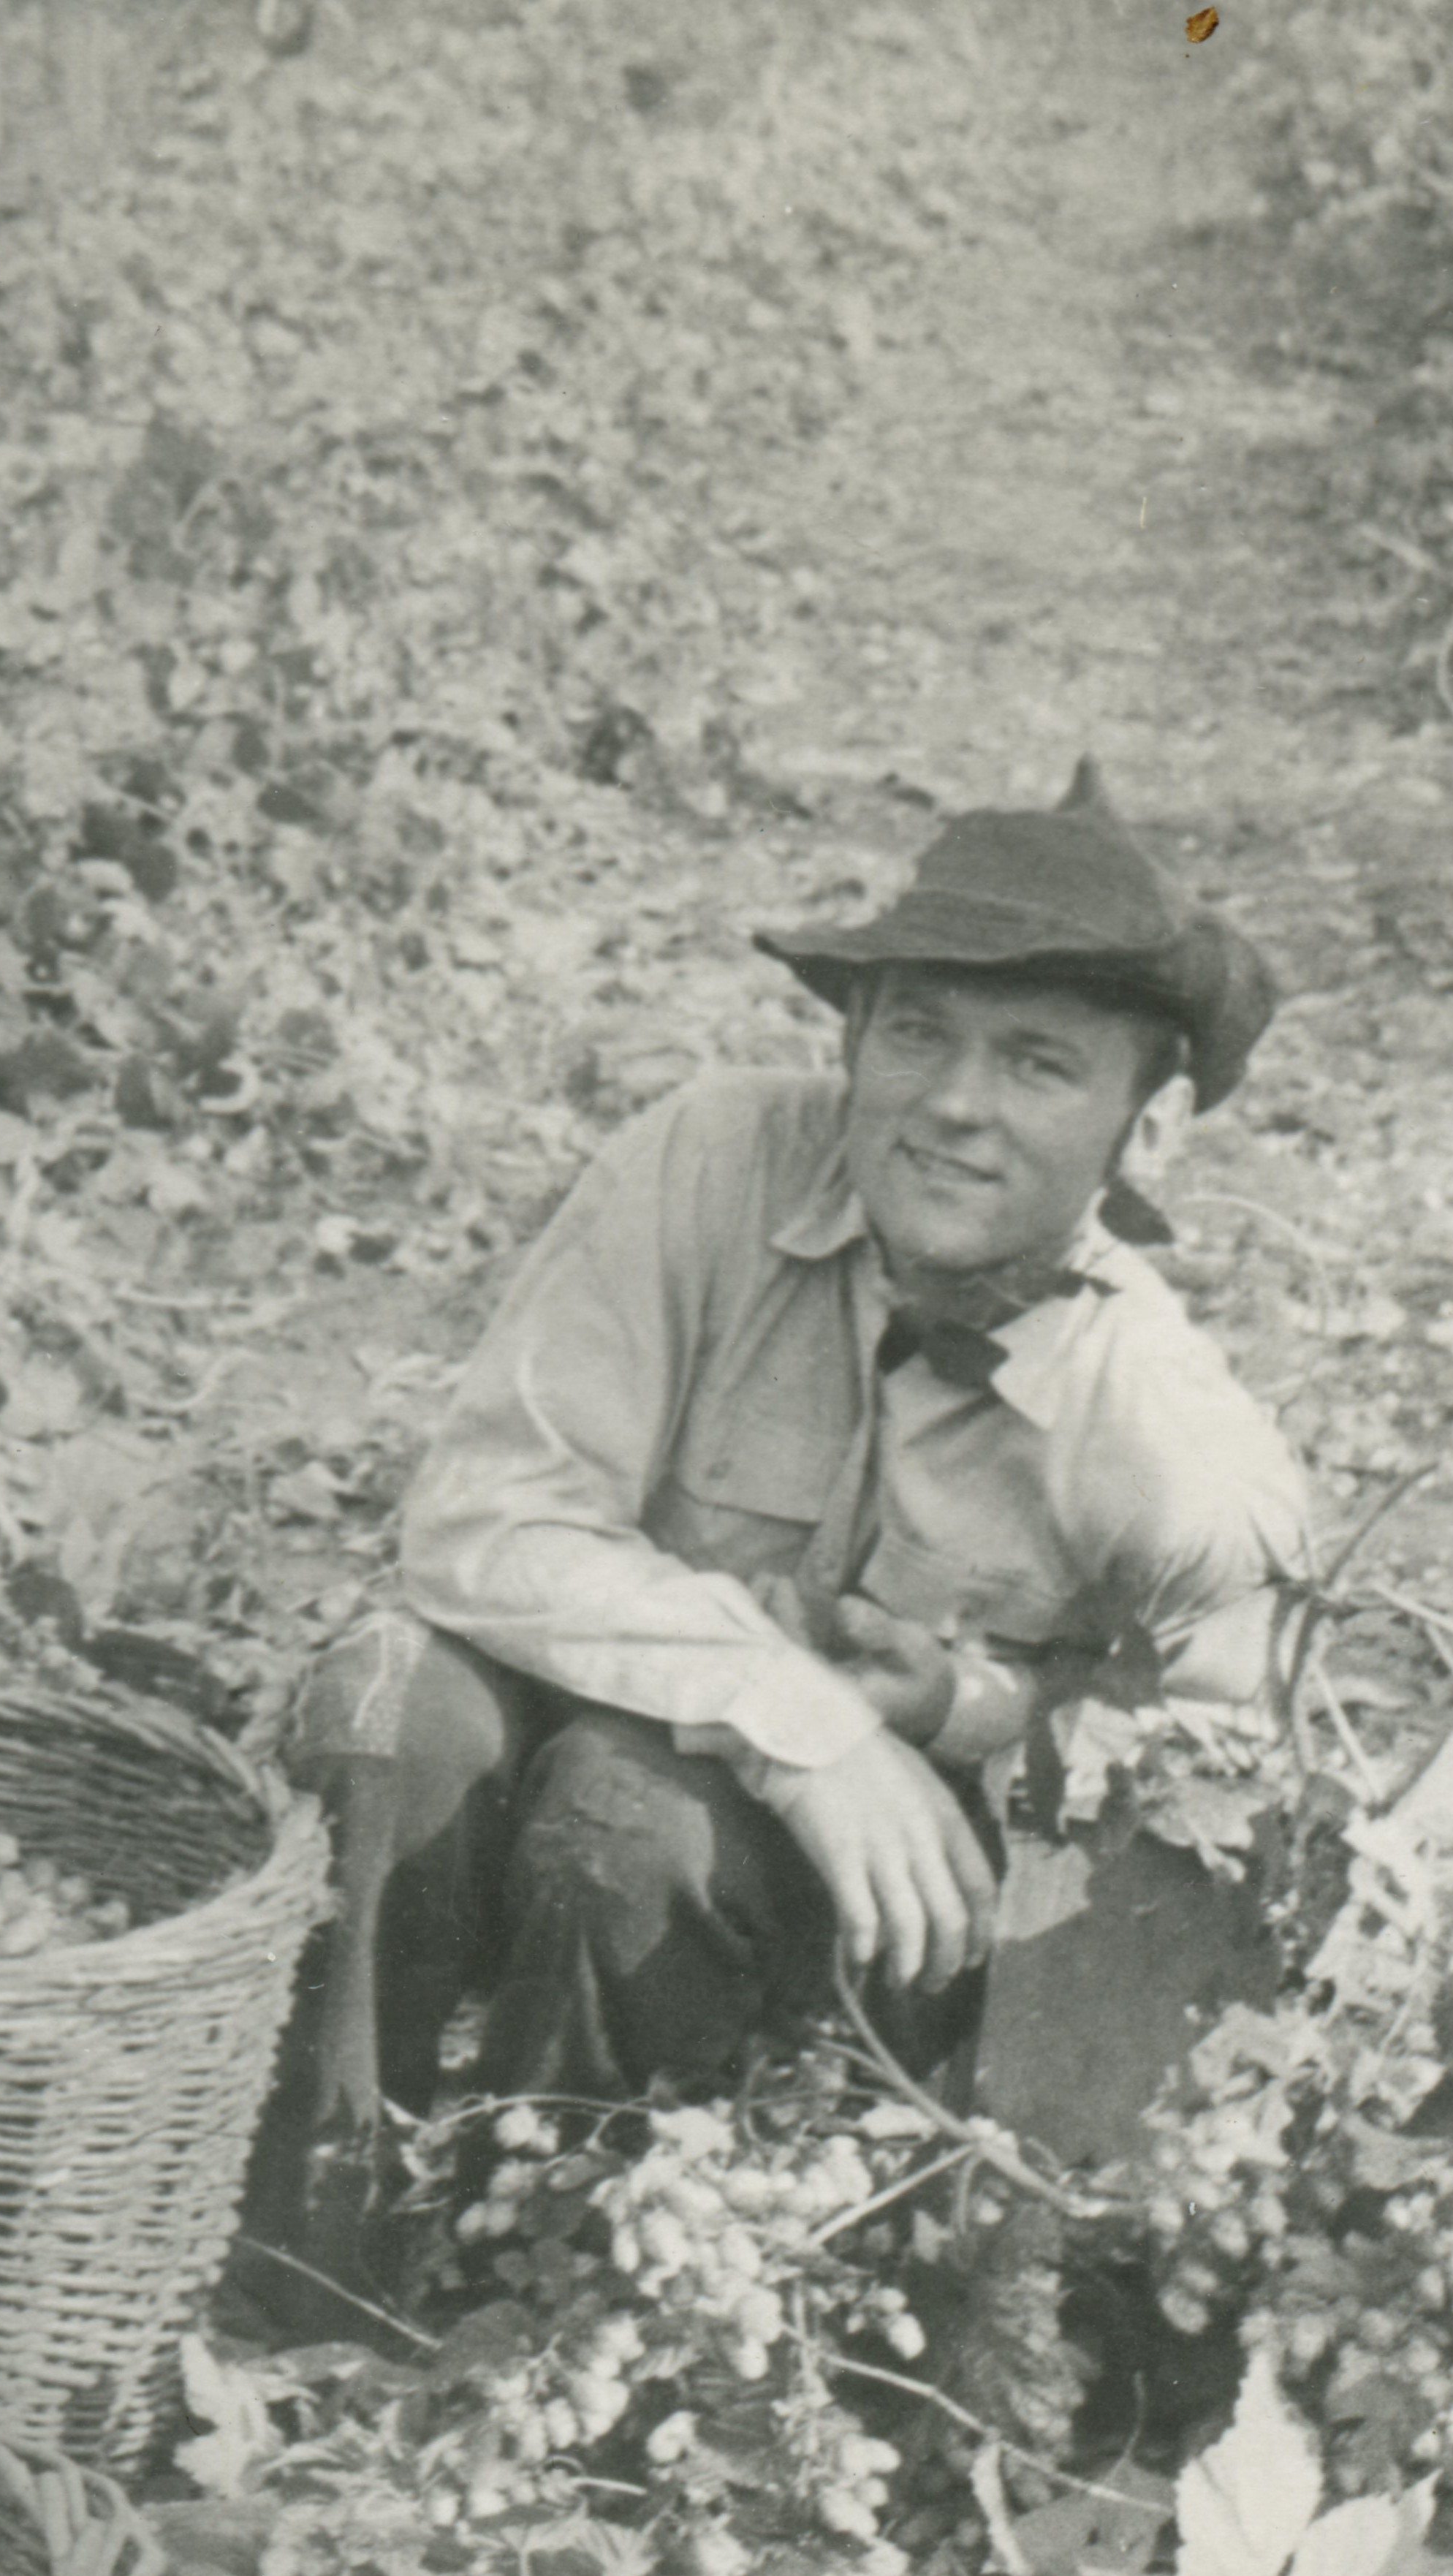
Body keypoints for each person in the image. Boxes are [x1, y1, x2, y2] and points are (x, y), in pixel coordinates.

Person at [244, 761, 1316, 2299]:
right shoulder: (709, 1161)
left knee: (630, 1825)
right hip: (600, 1735)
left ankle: (543, 2291)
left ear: (1146, 1131)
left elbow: (1222, 1785)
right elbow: (487, 1514)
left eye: (1037, 1064)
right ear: (851, 1039)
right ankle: (298, 2252)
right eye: (917, 1034)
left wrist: (962, 1709)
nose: (955, 1105)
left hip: (821, 1935)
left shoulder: (1169, 1441)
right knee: (385, 1703)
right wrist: (801, 1724)